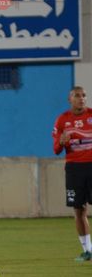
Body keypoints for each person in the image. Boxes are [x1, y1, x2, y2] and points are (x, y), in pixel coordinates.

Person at [52, 86, 92, 261]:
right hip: (75, 169)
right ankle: (87, 250)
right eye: (77, 96)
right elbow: (56, 150)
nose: (81, 98)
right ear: (70, 99)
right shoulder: (62, 120)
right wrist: (61, 142)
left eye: (84, 95)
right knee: (79, 209)